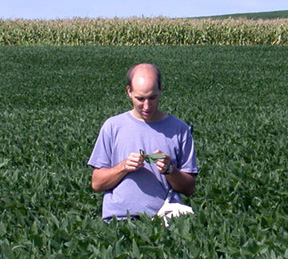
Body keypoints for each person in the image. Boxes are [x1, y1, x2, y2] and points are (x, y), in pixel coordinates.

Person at [88, 63, 198, 221]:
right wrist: (123, 166)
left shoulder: (179, 129)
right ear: (129, 92)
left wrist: (170, 170)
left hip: (164, 220)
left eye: (152, 98)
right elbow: (97, 183)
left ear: (161, 89)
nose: (147, 106)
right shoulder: (112, 127)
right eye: (140, 99)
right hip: (119, 220)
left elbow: (189, 188)